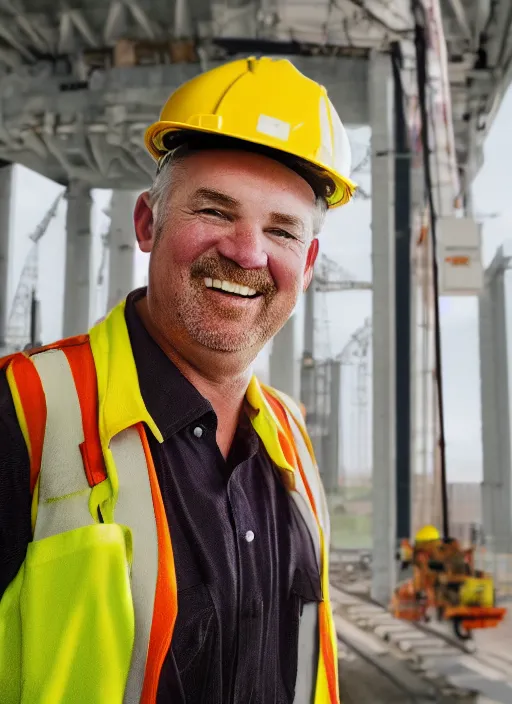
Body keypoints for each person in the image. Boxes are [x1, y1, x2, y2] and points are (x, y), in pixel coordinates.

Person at [0, 56, 355, 704]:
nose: (248, 252)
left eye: (280, 229)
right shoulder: (25, 413)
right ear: (147, 223)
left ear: (305, 264)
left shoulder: (291, 441)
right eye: (216, 211)